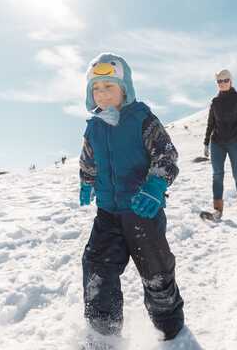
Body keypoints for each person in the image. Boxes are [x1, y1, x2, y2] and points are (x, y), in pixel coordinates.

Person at [78, 52, 185, 341]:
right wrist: (87, 180)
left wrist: (155, 187)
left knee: (156, 269)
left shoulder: (142, 120)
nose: (102, 94)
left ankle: (170, 328)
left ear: (125, 89)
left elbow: (167, 155)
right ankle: (104, 332)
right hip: (108, 213)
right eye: (96, 89)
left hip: (143, 211)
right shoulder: (94, 126)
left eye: (109, 86)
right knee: (97, 266)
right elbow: (89, 159)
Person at [203, 69, 237, 219]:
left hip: (235, 142)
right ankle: (218, 210)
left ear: (231, 81)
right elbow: (210, 123)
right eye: (219, 81)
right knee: (217, 176)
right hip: (217, 143)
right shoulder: (215, 102)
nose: (222, 83)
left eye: (225, 80)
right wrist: (206, 143)